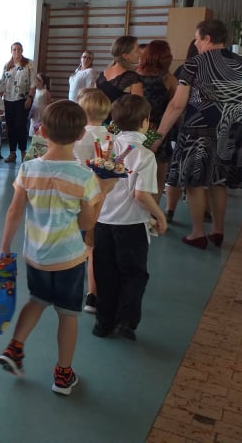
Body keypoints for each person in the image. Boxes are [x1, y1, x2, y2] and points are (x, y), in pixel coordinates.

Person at [0, 100, 103, 396]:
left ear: (42, 131)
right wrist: (101, 196)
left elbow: (13, 212)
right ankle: (63, 375)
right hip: (69, 259)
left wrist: (4, 249)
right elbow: (86, 223)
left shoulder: (28, 169)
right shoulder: (84, 176)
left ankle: (15, 347)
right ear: (81, 134)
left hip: (36, 256)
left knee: (37, 300)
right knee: (68, 315)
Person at [153, 19, 242, 249]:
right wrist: (240, 128)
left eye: (197, 39)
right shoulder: (241, 63)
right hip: (232, 130)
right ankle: (218, 231)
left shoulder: (194, 64)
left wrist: (158, 136)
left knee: (194, 182)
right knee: (220, 181)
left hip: (198, 131)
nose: (196, 43)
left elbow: (177, 105)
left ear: (207, 38)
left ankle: (197, 233)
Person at [94, 95, 167, 341]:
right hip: (132, 225)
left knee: (105, 272)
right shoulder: (145, 155)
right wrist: (160, 215)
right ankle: (126, 322)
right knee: (134, 274)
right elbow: (141, 195)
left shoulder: (105, 148)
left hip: (103, 222)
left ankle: (103, 323)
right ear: (145, 122)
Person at [72, 87, 112, 315]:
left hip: (75, 192)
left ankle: (71, 286)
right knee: (92, 246)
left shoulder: (77, 135)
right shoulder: (110, 137)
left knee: (74, 242)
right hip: (100, 195)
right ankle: (92, 295)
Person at [136, 40, 178, 203]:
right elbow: (175, 106)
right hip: (160, 129)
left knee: (135, 170)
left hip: (137, 128)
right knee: (159, 174)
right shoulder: (169, 79)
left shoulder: (134, 76)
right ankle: (153, 210)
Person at [0, 42, 36, 162]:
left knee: (20, 125)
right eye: (14, 49)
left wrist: (30, 97)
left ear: (22, 50)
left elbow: (33, 83)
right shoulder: (7, 65)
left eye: (19, 49)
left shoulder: (29, 63)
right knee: (11, 126)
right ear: (11, 51)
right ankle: (12, 153)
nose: (16, 51)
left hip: (22, 99)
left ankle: (23, 151)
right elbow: (3, 82)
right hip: (8, 99)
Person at [96, 36, 143, 104]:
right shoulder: (132, 77)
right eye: (137, 50)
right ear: (125, 55)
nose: (140, 53)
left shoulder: (101, 75)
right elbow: (138, 107)